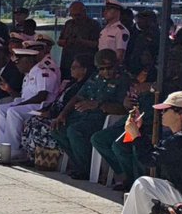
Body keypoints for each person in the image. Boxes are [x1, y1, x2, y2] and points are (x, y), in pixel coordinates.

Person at [50, 49, 130, 179]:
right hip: (83, 116)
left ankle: (85, 169)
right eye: (101, 69)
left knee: (75, 131)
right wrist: (62, 114)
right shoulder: (95, 77)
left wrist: (98, 105)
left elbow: (123, 109)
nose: (105, 72)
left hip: (102, 118)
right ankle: (78, 164)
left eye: (109, 68)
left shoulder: (123, 80)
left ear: (116, 65)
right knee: (57, 129)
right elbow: (78, 97)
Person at [20, 55, 93, 169]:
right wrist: (46, 110)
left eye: (75, 67)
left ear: (84, 70)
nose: (71, 69)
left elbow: (70, 106)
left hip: (64, 117)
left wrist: (52, 114)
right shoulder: (71, 83)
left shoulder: (83, 86)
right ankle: (33, 157)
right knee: (31, 121)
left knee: (40, 126)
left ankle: (47, 159)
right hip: (55, 111)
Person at [0, 48, 60, 164]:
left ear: (28, 61)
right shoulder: (27, 75)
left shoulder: (43, 72)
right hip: (28, 104)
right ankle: (2, 146)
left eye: (18, 62)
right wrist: (9, 90)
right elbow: (23, 96)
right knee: (0, 109)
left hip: (41, 106)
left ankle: (14, 149)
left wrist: (21, 104)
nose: (17, 65)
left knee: (13, 112)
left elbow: (42, 96)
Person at [58, 1, 100, 76]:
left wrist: (81, 41)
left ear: (84, 12)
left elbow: (97, 44)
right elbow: (59, 41)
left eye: (78, 15)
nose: (75, 17)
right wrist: (67, 41)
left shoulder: (93, 25)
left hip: (84, 63)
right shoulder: (68, 24)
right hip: (67, 61)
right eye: (72, 15)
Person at [98, 0, 131, 64]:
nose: (105, 12)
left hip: (111, 66)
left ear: (117, 11)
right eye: (105, 9)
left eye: (109, 9)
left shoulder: (120, 31)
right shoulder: (104, 30)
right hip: (101, 64)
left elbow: (120, 55)